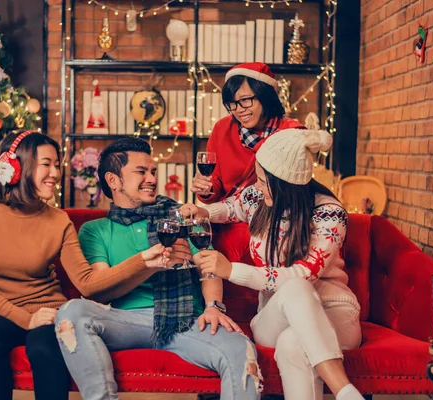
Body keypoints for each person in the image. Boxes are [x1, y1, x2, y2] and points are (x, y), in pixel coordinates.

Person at [0, 131, 173, 400]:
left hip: (49, 311)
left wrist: (141, 261)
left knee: (45, 351)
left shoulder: (59, 221)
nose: (55, 173)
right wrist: (27, 319)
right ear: (16, 166)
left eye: (57, 165)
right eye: (46, 164)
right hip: (0, 312)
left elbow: (87, 282)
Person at [55, 137, 263, 400]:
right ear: (113, 180)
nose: (152, 178)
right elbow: (101, 290)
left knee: (240, 347)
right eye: (141, 172)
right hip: (125, 321)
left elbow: (207, 264)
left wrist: (213, 306)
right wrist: (149, 264)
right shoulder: (95, 230)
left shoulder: (179, 215)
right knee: (72, 313)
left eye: (152, 171)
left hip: (184, 321)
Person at [186, 129, 365, 400]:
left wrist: (232, 270)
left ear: (286, 184)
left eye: (262, 181)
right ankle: (346, 392)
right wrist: (204, 212)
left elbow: (304, 274)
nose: (256, 187)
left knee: (293, 340)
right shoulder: (260, 199)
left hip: (335, 313)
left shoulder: (329, 214)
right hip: (274, 316)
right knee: (294, 293)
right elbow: (233, 207)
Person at [190, 62, 304, 265]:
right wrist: (205, 189)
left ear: (265, 96)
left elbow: (294, 192)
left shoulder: (291, 132)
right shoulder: (222, 128)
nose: (238, 110)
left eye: (246, 101)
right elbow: (215, 182)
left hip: (271, 225)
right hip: (224, 221)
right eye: (232, 104)